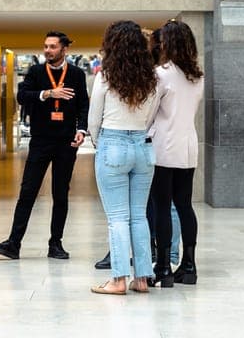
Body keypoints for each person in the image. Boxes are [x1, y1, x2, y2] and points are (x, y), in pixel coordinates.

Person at [0, 31, 89, 261]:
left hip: (66, 142)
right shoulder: (35, 71)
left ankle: (56, 243)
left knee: (60, 194)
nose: (47, 50)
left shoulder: (75, 74)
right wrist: (48, 93)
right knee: (27, 192)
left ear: (64, 49)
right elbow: (22, 96)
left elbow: (84, 104)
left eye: (53, 47)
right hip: (40, 140)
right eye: (45, 46)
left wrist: (81, 130)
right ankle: (13, 243)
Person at [88, 21, 160, 295]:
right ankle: (141, 278)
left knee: (117, 217)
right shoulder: (151, 78)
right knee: (139, 216)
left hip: (113, 142)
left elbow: (94, 118)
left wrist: (100, 142)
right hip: (142, 145)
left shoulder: (105, 76)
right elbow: (151, 115)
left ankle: (118, 279)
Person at [149, 20, 205, 287]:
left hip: (163, 147)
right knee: (184, 205)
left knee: (162, 206)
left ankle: (162, 267)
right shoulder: (197, 75)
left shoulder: (161, 74)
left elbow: (150, 113)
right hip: (188, 146)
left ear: (167, 43)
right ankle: (189, 265)